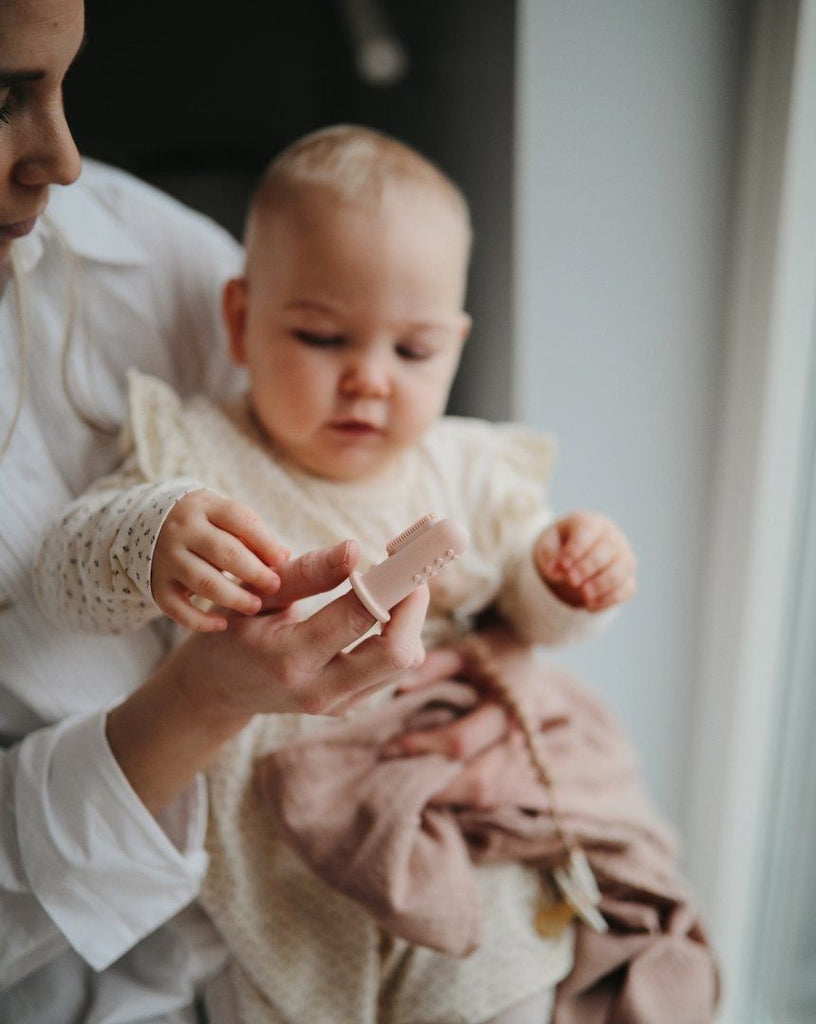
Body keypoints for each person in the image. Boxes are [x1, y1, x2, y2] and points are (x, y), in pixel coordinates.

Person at [34, 125, 640, 1024]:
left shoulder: (464, 466)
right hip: (279, 836)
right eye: (323, 336)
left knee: (504, 986)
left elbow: (526, 607)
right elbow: (60, 577)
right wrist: (144, 543)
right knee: (273, 990)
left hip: (445, 813)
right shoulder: (192, 453)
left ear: (457, 346)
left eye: (413, 352)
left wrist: (565, 578)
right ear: (241, 322)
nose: (368, 380)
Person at [0, 5, 431, 1023]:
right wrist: (199, 699)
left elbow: (482, 518)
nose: (62, 160)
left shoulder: (163, 257)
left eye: (64, 83)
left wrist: (556, 582)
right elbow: (78, 555)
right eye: (4, 95)